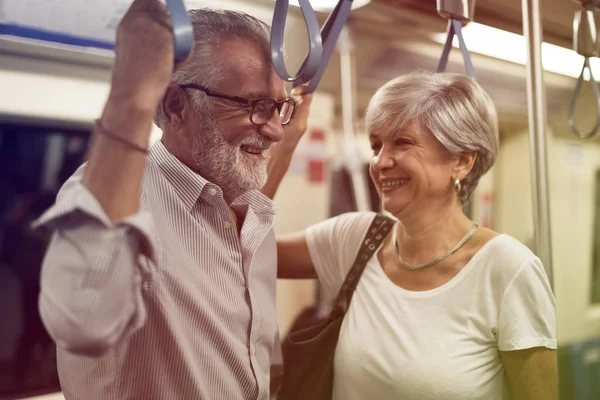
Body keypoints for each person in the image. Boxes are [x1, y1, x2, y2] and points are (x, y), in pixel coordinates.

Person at [34, 1, 312, 399]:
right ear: (176, 105)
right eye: (255, 106)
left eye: (278, 108)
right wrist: (131, 96)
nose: (275, 131)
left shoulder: (250, 212)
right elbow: (83, 324)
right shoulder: (124, 197)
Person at [277, 71, 557, 400]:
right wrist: (285, 145)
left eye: (403, 142)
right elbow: (239, 248)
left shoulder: (508, 268)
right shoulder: (356, 240)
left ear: (463, 161)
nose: (380, 161)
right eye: (376, 145)